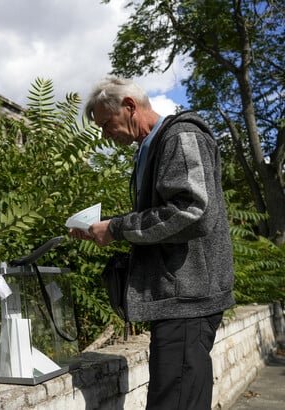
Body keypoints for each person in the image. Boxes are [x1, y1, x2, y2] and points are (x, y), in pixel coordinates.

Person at [70, 76, 235, 410]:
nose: (105, 134)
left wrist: (116, 228)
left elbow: (192, 210)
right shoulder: (153, 147)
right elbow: (168, 215)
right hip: (181, 298)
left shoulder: (180, 136)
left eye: (106, 123)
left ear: (130, 106)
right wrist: (102, 228)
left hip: (188, 299)